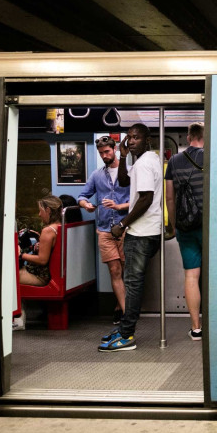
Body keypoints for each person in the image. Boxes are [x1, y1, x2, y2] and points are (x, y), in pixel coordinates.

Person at [99, 123, 164, 352]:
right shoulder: (145, 160)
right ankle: (125, 329)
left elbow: (145, 199)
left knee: (133, 285)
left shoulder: (145, 163)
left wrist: (122, 224)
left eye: (136, 137)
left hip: (141, 232)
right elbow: (126, 182)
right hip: (146, 230)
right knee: (132, 282)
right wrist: (124, 157)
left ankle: (127, 336)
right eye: (129, 137)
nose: (132, 141)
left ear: (147, 140)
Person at [77, 136, 131, 325]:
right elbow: (82, 196)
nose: (104, 156)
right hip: (105, 230)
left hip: (125, 228)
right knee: (114, 270)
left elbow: (139, 201)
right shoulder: (96, 175)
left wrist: (119, 206)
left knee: (124, 270)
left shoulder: (129, 172)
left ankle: (119, 305)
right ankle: (126, 314)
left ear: (115, 149)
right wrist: (86, 205)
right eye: (101, 153)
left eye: (107, 151)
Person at [165, 122, 205, 340]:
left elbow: (170, 197)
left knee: (191, 275)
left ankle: (196, 327)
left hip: (185, 226)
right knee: (214, 275)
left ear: (189, 138)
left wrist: (174, 224)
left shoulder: (174, 161)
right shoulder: (210, 156)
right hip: (209, 226)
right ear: (204, 137)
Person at [14, 195, 63, 330]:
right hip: (51, 274)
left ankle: (18, 319)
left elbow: (42, 260)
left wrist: (20, 254)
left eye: (41, 210)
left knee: (8, 279)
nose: (39, 214)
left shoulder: (47, 231)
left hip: (41, 276)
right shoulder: (59, 226)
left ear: (48, 210)